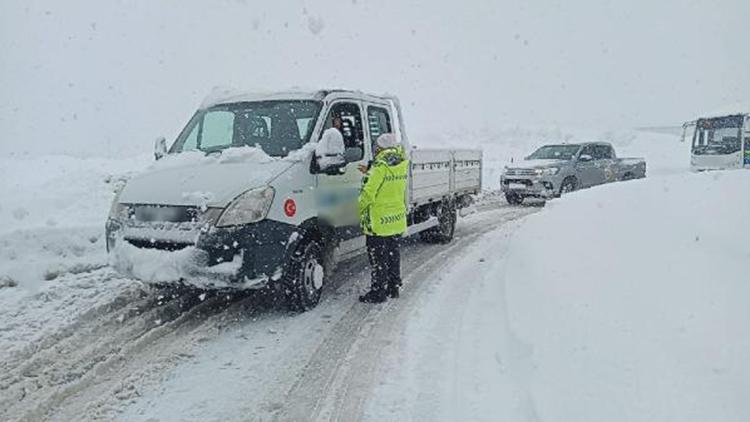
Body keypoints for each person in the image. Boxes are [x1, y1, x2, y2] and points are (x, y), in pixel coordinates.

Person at [358, 133, 409, 303]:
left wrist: (358, 208)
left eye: (377, 148)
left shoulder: (379, 167)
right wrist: (371, 171)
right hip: (395, 219)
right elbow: (389, 184)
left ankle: (378, 292)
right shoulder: (401, 164)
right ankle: (393, 286)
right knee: (393, 254)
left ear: (380, 148)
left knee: (378, 258)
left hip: (379, 222)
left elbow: (368, 193)